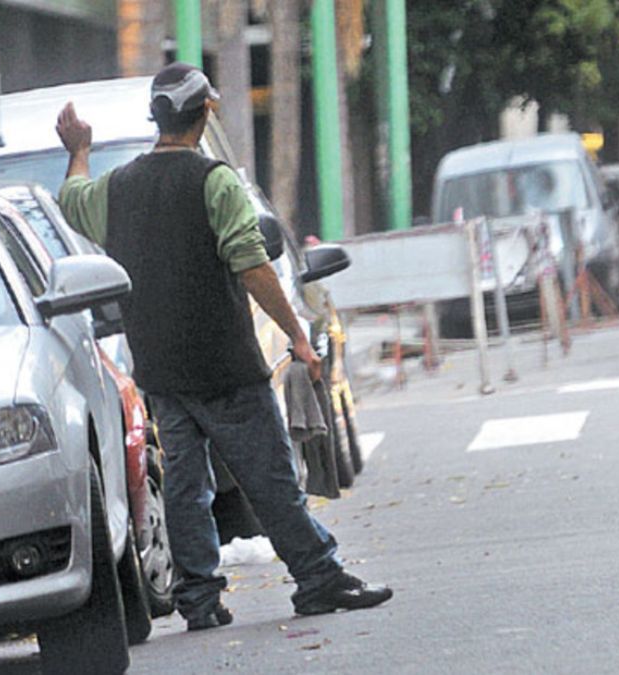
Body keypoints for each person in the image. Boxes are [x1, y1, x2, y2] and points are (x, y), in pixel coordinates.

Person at [55, 62, 392, 631]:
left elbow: (71, 199)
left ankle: (200, 598)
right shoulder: (216, 181)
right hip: (225, 364)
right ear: (205, 111)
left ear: (157, 117)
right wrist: (296, 336)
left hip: (161, 369)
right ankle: (318, 577)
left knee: (187, 488)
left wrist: (79, 149)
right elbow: (254, 266)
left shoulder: (118, 188)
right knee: (270, 477)